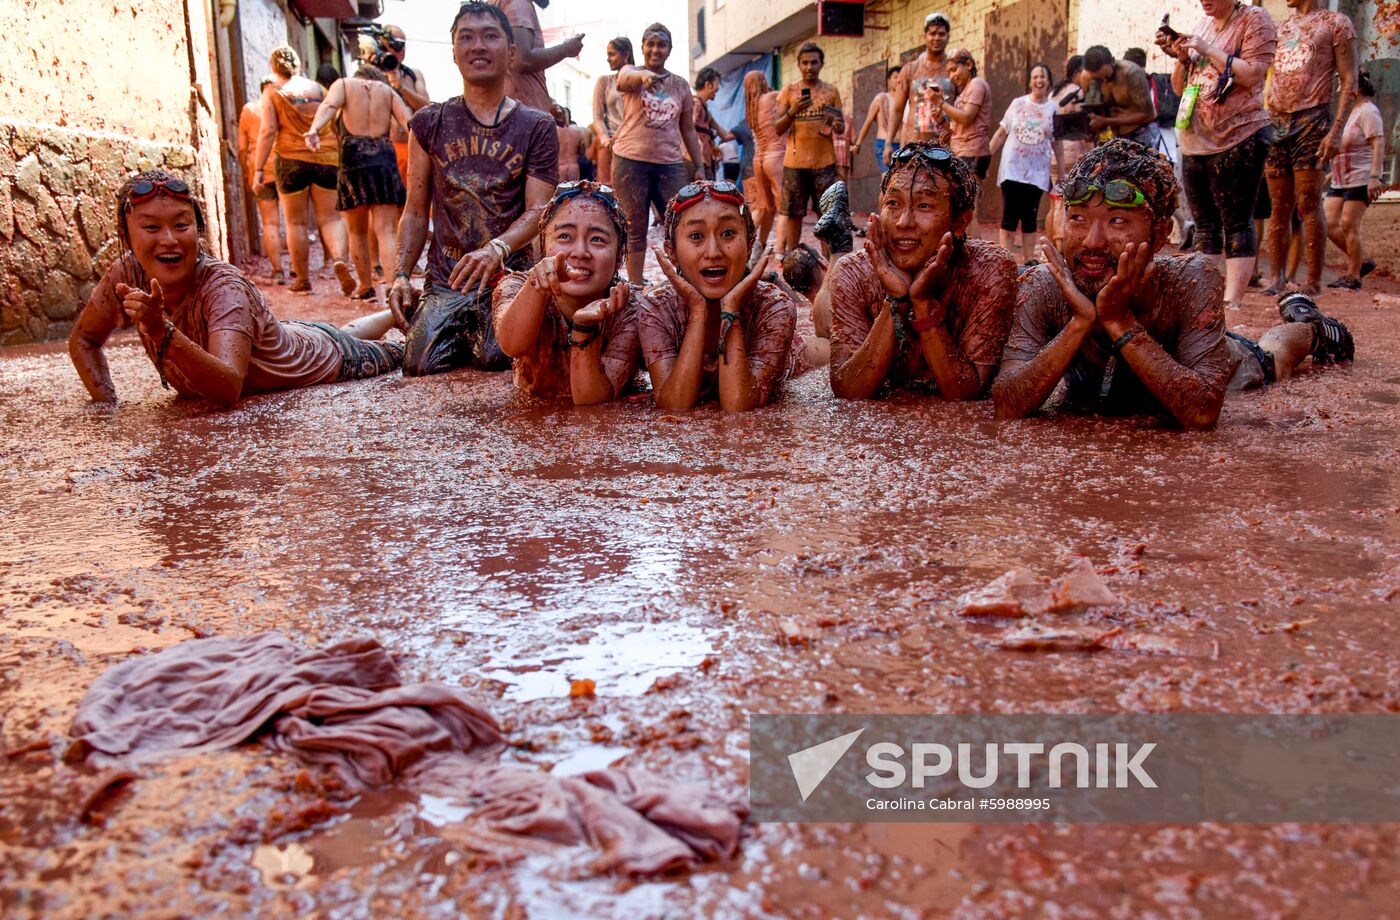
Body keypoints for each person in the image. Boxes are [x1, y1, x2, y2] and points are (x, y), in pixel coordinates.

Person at [993, 139, 1353, 431]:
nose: (1092, 241)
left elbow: (1202, 414)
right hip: (1176, 352)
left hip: (1213, 363)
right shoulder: (1044, 285)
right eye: (1078, 219)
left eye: (1117, 220)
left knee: (1274, 356)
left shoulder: (1189, 277)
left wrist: (1118, 319)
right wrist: (1079, 323)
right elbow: (1007, 403)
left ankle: (1307, 321)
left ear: (1162, 232)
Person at [69, 171, 401, 407]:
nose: (169, 239)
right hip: (297, 335)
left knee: (407, 355)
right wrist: (107, 405)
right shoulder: (124, 274)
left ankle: (407, 312)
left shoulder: (224, 288)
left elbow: (228, 388)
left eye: (181, 225)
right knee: (340, 331)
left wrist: (161, 331)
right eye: (151, 227)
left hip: (329, 360)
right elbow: (84, 340)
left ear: (197, 231)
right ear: (127, 237)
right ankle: (392, 314)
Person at [390, 2, 560, 376]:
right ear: (453, 52)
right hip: (446, 281)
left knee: (497, 359)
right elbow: (415, 211)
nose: (477, 46)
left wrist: (496, 248)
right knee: (418, 365)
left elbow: (539, 212)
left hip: (508, 275)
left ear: (511, 52)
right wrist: (401, 275)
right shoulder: (427, 123)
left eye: (490, 36)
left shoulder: (538, 126)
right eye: (466, 38)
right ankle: (403, 322)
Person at [825, 143, 1018, 401]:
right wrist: (895, 301)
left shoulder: (989, 270)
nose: (904, 222)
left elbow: (965, 392)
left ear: (960, 222)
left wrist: (923, 303)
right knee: (821, 322)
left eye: (924, 206)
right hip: (846, 291)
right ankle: (836, 249)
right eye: (893, 203)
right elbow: (848, 391)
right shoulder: (854, 273)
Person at [1156, 0, 1277, 313]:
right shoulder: (1202, 24)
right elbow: (1181, 87)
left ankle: (1232, 300)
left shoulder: (1254, 19)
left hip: (1240, 135)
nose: (1204, 1)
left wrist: (1208, 49)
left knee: (1237, 221)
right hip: (1197, 138)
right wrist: (1182, 57)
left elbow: (1253, 74)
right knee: (1205, 224)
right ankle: (1203, 297)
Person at [641, 180, 803, 411]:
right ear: (671, 253)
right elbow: (674, 404)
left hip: (797, 354)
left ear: (749, 245)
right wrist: (698, 312)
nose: (713, 252)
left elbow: (738, 405)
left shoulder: (774, 306)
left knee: (821, 350)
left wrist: (730, 310)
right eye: (696, 236)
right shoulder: (656, 308)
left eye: (727, 233)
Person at [493, 181, 645, 402]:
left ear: (620, 254)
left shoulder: (631, 307)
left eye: (597, 240)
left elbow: (591, 402)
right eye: (565, 236)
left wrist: (583, 328)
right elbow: (511, 346)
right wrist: (535, 289)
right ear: (544, 244)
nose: (580, 252)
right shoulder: (515, 286)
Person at [1264, 0, 1359, 296]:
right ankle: (1276, 279)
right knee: (1278, 206)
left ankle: (1313, 280)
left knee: (1308, 201)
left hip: (1312, 117)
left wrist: (1335, 131)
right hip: (1277, 119)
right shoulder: (1281, 27)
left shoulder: (1335, 23)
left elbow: (1349, 79)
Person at [305, 62, 411, 302]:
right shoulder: (388, 91)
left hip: (354, 157)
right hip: (384, 157)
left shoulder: (343, 84)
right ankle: (394, 285)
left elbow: (329, 105)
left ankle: (365, 286)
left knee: (357, 230)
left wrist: (314, 129)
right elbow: (409, 122)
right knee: (386, 230)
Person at [251, 45, 353, 296]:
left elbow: (268, 131)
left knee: (296, 222)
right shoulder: (320, 89)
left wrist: (258, 169)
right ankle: (340, 259)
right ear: (297, 65)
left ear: (274, 68)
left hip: (290, 159)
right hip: (326, 157)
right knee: (330, 218)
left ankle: (303, 280)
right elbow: (337, 119)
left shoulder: (273, 91)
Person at [610, 23, 704, 284]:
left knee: (682, 223)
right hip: (630, 161)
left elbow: (688, 129)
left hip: (670, 163)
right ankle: (636, 285)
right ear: (641, 48)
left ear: (669, 49)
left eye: (661, 44)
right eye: (650, 44)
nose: (655, 49)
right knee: (634, 227)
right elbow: (624, 78)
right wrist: (643, 78)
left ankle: (685, 282)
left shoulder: (681, 85)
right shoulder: (632, 73)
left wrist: (699, 165)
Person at [774, 42, 845, 253]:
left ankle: (828, 260)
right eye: (805, 63)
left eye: (814, 62)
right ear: (798, 65)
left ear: (821, 64)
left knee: (827, 212)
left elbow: (839, 127)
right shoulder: (788, 92)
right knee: (794, 214)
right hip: (794, 164)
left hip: (825, 162)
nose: (809, 67)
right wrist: (793, 110)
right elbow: (778, 128)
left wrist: (839, 125)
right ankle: (793, 260)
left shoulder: (831, 91)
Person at [990, 63, 1058, 265]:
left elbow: (1057, 142)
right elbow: (1001, 132)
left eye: (1043, 77)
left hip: (1037, 171)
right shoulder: (1017, 103)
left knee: (1030, 214)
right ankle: (1005, 257)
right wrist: (985, 156)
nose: (1039, 81)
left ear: (1048, 81)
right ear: (1029, 81)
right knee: (1010, 212)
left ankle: (1030, 259)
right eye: (1035, 77)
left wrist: (1061, 171)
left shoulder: (1053, 108)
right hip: (1013, 167)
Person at [1324, 69, 1384, 290]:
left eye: (1345, 87)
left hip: (1361, 176)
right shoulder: (1349, 113)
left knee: (1349, 224)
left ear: (1356, 89)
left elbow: (1378, 145)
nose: (1341, 91)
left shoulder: (1368, 111)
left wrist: (1375, 177)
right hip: (1340, 179)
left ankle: (1353, 275)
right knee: (1328, 224)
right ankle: (1362, 262)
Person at [490, 0, 583, 113]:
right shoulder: (518, 4)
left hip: (515, 111)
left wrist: (550, 102)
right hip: (523, 116)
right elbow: (521, 60)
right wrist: (566, 50)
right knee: (582, 131)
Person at [886, 12, 954, 165]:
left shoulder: (952, 70)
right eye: (932, 33)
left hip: (945, 149)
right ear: (925, 36)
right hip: (913, 147)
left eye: (941, 34)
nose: (936, 38)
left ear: (948, 37)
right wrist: (888, 143)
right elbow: (897, 110)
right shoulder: (911, 70)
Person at [237, 75, 286, 284]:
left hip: (261, 171)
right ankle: (300, 271)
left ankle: (277, 270)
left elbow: (241, 147)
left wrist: (247, 169)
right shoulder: (284, 106)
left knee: (270, 222)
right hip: (285, 166)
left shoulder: (249, 110)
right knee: (294, 222)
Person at [378, 24, 431, 185]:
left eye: (403, 44)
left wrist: (402, 87)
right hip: (385, 151)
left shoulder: (413, 74)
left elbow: (426, 106)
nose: (401, 50)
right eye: (396, 44)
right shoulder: (372, 74)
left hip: (412, 149)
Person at [1081, 45, 1159, 149]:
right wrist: (1090, 130)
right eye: (1098, 79)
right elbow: (1093, 110)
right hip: (1114, 135)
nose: (1104, 81)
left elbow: (1148, 114)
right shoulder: (1086, 77)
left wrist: (1106, 121)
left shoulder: (1131, 73)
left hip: (1141, 132)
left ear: (1112, 61)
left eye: (1106, 76)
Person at [744, 70, 787, 249]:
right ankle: (780, 252)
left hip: (759, 160)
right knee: (784, 208)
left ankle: (752, 246)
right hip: (776, 157)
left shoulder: (750, 109)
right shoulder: (772, 97)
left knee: (764, 208)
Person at [942, 49, 992, 183]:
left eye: (954, 70)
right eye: (949, 72)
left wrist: (941, 104)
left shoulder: (977, 84)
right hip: (961, 152)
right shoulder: (964, 91)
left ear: (969, 65)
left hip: (972, 152)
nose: (951, 76)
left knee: (970, 200)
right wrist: (941, 121)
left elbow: (966, 118)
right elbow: (957, 128)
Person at [592, 37, 633, 184]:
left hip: (632, 144)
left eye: (612, 54)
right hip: (609, 144)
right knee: (606, 193)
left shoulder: (639, 79)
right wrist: (604, 139)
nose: (608, 59)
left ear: (626, 55)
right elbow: (597, 116)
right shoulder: (605, 81)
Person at [690, 67, 736, 182]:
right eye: (716, 84)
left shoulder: (706, 111)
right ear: (708, 84)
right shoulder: (696, 104)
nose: (718, 88)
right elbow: (689, 130)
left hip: (705, 163)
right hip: (697, 164)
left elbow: (724, 135)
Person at [852, 68, 900, 174]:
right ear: (888, 80)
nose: (898, 81)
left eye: (900, 78)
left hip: (902, 145)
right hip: (883, 144)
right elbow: (868, 122)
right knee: (888, 179)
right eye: (895, 78)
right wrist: (858, 144)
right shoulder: (881, 98)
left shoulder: (905, 100)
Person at [1052, 55, 1092, 182]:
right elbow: (1083, 129)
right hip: (1073, 156)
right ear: (1076, 72)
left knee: (1056, 198)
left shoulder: (1055, 92)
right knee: (1071, 199)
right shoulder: (1078, 93)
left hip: (1053, 155)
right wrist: (1093, 154)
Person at [553, 104, 588, 182]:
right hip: (574, 167)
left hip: (559, 167)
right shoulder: (577, 131)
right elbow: (582, 151)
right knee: (574, 192)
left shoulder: (553, 132)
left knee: (561, 193)